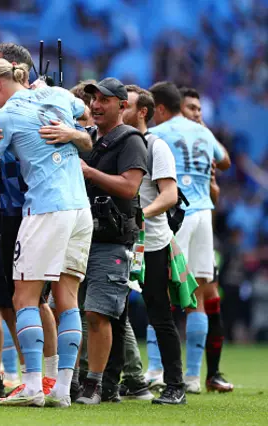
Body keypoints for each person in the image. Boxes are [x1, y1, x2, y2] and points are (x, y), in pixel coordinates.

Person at [0, 59, 92, 408]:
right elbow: (87, 117)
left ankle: (33, 385)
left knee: (24, 298)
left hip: (45, 209)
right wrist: (77, 135)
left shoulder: (3, 116)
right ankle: (63, 390)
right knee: (67, 298)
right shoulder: (57, 94)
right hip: (80, 208)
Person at [148, 82, 231, 394]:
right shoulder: (202, 131)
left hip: (178, 213)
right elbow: (224, 161)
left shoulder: (162, 132)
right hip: (203, 216)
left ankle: (156, 369)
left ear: (161, 108)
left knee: (160, 288)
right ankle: (194, 377)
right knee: (197, 294)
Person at [75, 78, 148, 405]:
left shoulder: (130, 141)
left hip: (111, 239)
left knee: (97, 313)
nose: (96, 105)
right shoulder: (87, 138)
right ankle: (77, 380)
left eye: (105, 100)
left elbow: (130, 187)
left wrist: (89, 173)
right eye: (93, 99)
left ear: (122, 105)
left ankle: (96, 383)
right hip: (79, 236)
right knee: (75, 311)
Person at [122, 85, 187, 405]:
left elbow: (169, 195)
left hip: (153, 242)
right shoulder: (117, 141)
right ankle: (116, 379)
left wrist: (140, 215)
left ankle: (175, 384)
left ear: (143, 111)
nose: (121, 109)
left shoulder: (154, 145)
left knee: (159, 313)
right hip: (120, 239)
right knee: (113, 312)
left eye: (127, 105)